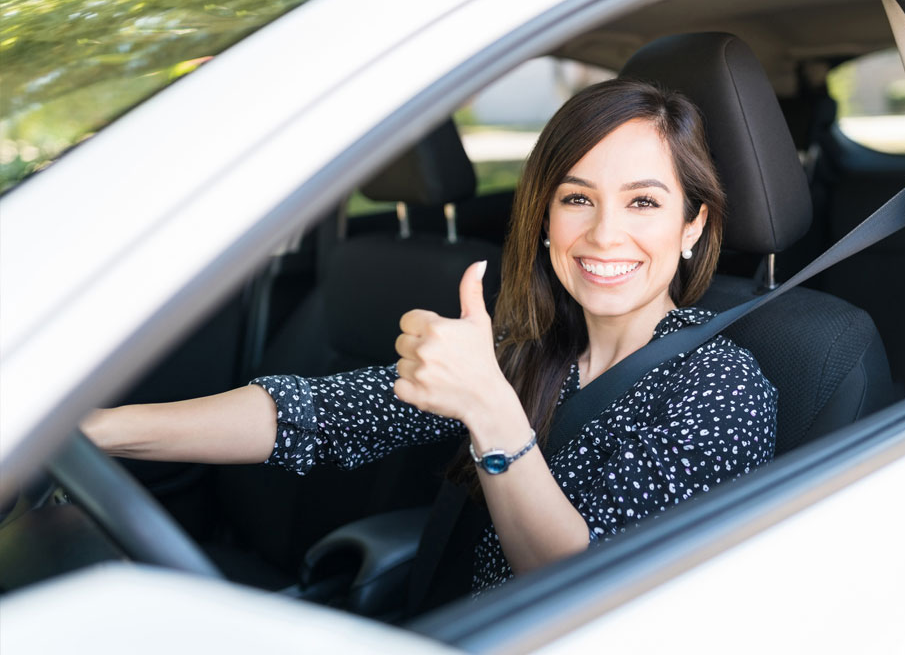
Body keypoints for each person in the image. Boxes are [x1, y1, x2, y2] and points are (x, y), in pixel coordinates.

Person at [83, 78, 778, 599]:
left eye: (643, 202)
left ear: (693, 226)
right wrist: (96, 432)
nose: (604, 233)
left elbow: (588, 589)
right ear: (544, 219)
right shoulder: (526, 347)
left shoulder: (722, 388)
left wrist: (490, 411)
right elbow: (318, 416)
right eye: (577, 198)